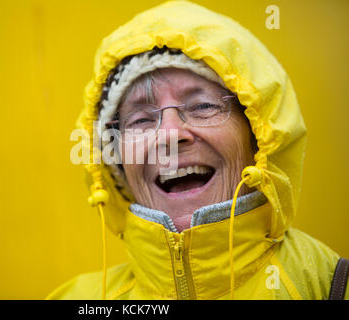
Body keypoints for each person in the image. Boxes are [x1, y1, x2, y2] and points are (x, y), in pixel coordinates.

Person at [48, 0, 348, 300]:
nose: (169, 134)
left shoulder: (328, 284)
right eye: (140, 118)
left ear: (258, 137)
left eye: (203, 106)